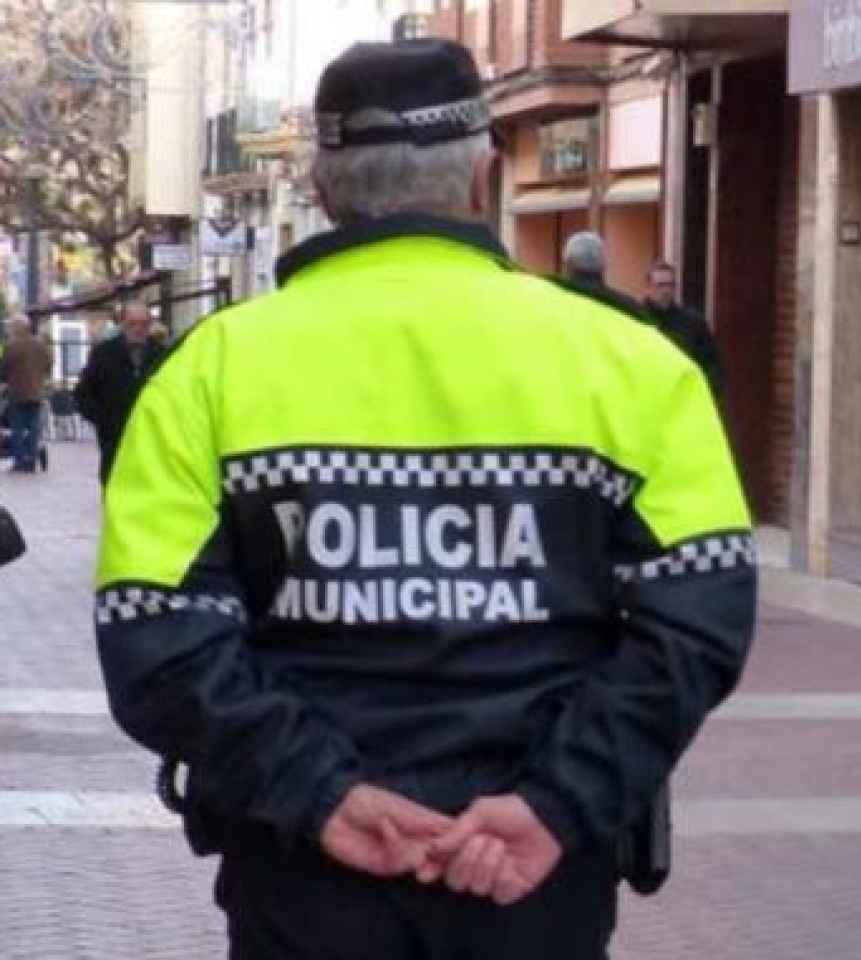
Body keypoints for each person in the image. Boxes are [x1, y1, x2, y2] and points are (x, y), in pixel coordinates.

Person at [94, 39, 755, 960]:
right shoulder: (635, 364)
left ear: (322, 188)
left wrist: (318, 795)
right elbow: (700, 620)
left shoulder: (207, 370)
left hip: (302, 873)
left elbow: (152, 628)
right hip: (536, 875)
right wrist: (556, 801)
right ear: (484, 179)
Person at [74, 301, 166, 484]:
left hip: (152, 441)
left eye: (144, 323)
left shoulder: (162, 354)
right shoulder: (104, 353)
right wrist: (103, 421)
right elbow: (82, 394)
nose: (138, 329)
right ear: (122, 324)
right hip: (114, 441)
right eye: (133, 323)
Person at [641, 261, 724, 401]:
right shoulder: (637, 320)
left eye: (670, 285)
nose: (666, 291)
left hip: (683, 399)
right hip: (648, 397)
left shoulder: (693, 324)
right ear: (648, 288)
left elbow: (711, 366)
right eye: (660, 285)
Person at [0, 318, 53, 473]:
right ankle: (31, 459)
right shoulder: (41, 345)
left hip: (17, 394)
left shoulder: (11, 347)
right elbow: (48, 365)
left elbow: (3, 369)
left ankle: (20, 461)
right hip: (36, 393)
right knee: (34, 428)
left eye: (12, 327)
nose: (10, 330)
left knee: (18, 428)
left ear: (18, 328)